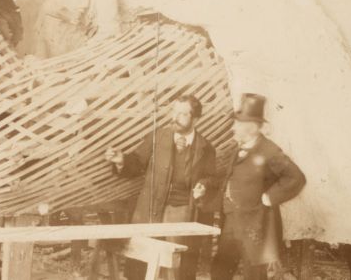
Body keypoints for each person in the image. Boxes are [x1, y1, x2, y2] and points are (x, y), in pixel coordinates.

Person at [105, 95, 219, 280]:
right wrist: (121, 161)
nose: (174, 117)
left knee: (176, 266)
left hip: (183, 212)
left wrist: (203, 185)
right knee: (141, 261)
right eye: (174, 111)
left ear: (195, 119)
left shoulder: (206, 148)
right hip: (150, 209)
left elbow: (212, 178)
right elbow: (137, 162)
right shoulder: (158, 137)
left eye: (182, 114)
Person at [211, 93, 306, 280]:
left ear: (251, 128)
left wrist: (269, 197)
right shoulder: (239, 149)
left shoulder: (270, 151)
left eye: (237, 124)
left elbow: (296, 178)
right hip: (233, 221)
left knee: (254, 276)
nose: (232, 128)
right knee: (220, 271)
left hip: (257, 225)